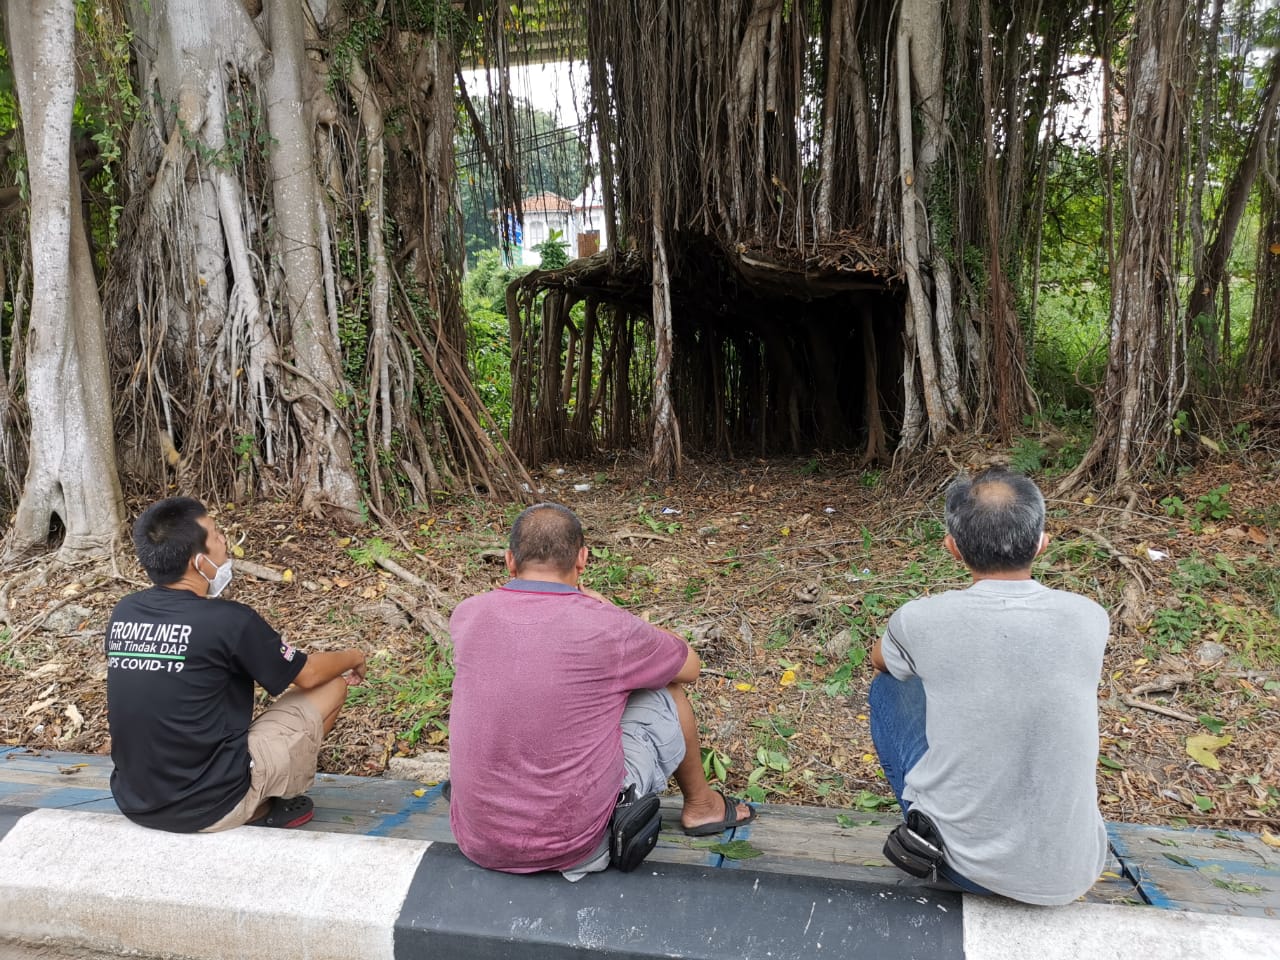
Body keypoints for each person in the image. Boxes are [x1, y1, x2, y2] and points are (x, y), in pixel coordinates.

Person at [448, 502, 756, 878]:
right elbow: (689, 666)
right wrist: (614, 611)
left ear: (510, 561)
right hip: (577, 845)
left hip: (479, 841)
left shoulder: (467, 614)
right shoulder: (608, 627)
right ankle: (703, 805)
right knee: (669, 691)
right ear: (582, 559)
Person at [868, 467, 1109, 905]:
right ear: (1041, 543)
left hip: (965, 866)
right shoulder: (1090, 617)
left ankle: (929, 826)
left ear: (952, 548)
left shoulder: (920, 619)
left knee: (890, 688)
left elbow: (879, 660)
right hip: (1076, 870)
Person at [106, 496, 366, 832]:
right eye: (216, 534)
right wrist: (354, 656)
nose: (224, 540)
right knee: (331, 684)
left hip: (134, 800)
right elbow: (308, 674)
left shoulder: (124, 612)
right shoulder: (229, 621)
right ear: (199, 563)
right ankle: (258, 801)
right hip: (210, 808)